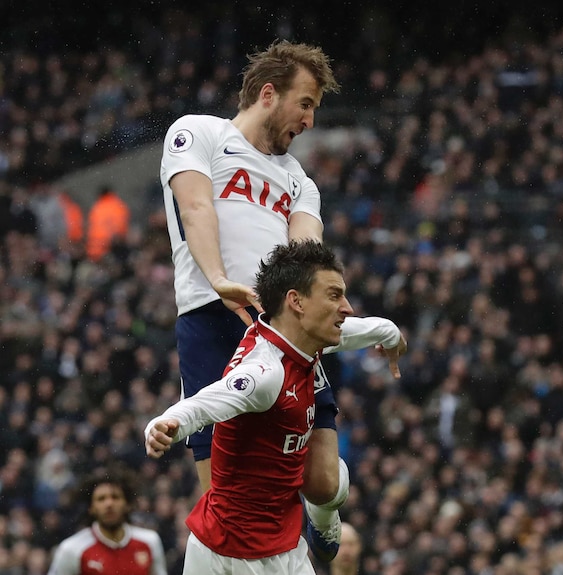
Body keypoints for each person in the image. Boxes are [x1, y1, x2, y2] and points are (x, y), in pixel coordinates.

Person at [159, 39, 402, 561]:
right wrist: (220, 278)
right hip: (209, 319)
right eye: (307, 103)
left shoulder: (299, 180)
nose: (310, 120)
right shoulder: (197, 132)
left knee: (322, 482)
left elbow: (308, 257)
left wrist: (323, 314)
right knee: (224, 501)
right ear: (268, 94)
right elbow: (197, 208)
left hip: (282, 333)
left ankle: (325, 514)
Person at [144, 240, 403, 574]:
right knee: (328, 485)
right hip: (228, 556)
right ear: (295, 301)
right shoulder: (265, 374)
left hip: (285, 545)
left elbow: (358, 330)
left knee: (326, 486)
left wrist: (392, 334)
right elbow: (203, 405)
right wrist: (164, 424)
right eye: (334, 295)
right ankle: (324, 516)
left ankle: (322, 516)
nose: (347, 308)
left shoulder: (302, 337)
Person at [47, 467, 167, 575]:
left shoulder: (150, 542)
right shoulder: (71, 549)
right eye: (101, 499)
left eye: (115, 497)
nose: (109, 504)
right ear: (91, 508)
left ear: (127, 504)